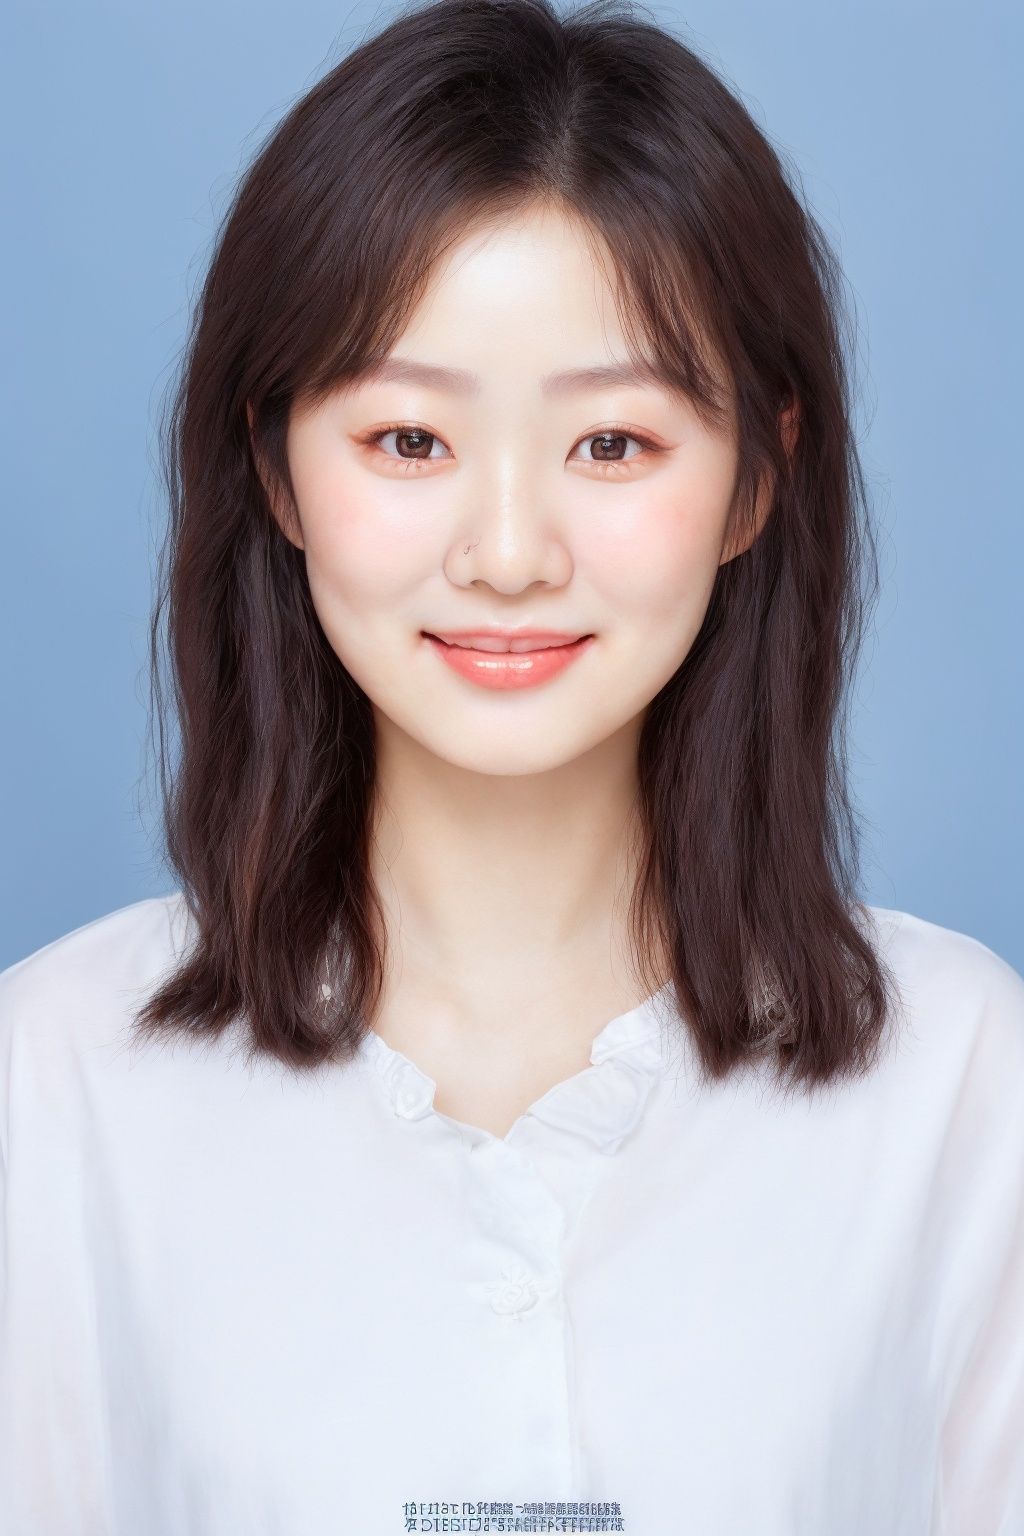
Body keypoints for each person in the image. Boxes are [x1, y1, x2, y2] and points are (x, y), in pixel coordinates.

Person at [1, 0, 1021, 1531]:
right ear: (277, 468)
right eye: (408, 441)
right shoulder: (55, 1080)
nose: (506, 554)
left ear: (759, 477)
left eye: (613, 444)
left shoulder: (964, 1084)